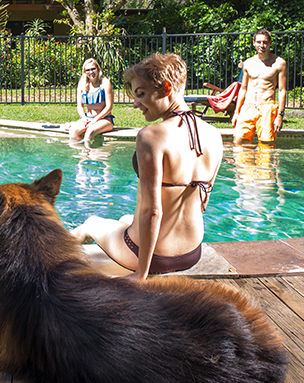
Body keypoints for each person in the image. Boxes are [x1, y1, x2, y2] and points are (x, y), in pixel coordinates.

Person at [70, 52, 223, 279]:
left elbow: (153, 212)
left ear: (167, 88)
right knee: (124, 219)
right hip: (192, 252)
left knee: (91, 223)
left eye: (141, 94)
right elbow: (203, 201)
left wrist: (140, 274)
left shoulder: (151, 136)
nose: (135, 104)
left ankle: (52, 251)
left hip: (152, 257)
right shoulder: (214, 134)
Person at [232, 29, 287, 144]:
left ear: (270, 43)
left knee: (265, 146)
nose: (262, 45)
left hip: (266, 107)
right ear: (254, 43)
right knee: (238, 142)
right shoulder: (248, 63)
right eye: (259, 42)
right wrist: (237, 112)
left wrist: (280, 115)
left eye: (265, 42)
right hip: (248, 107)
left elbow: (282, 90)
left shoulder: (279, 63)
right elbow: (243, 89)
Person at [66, 58, 115, 145]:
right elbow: (79, 106)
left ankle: (92, 156)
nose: (91, 72)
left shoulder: (105, 82)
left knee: (89, 133)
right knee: (73, 132)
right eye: (87, 70)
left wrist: (94, 121)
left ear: (97, 69)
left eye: (93, 69)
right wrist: (84, 118)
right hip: (88, 118)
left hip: (104, 120)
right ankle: (83, 156)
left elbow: (109, 107)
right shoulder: (82, 83)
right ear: (84, 72)